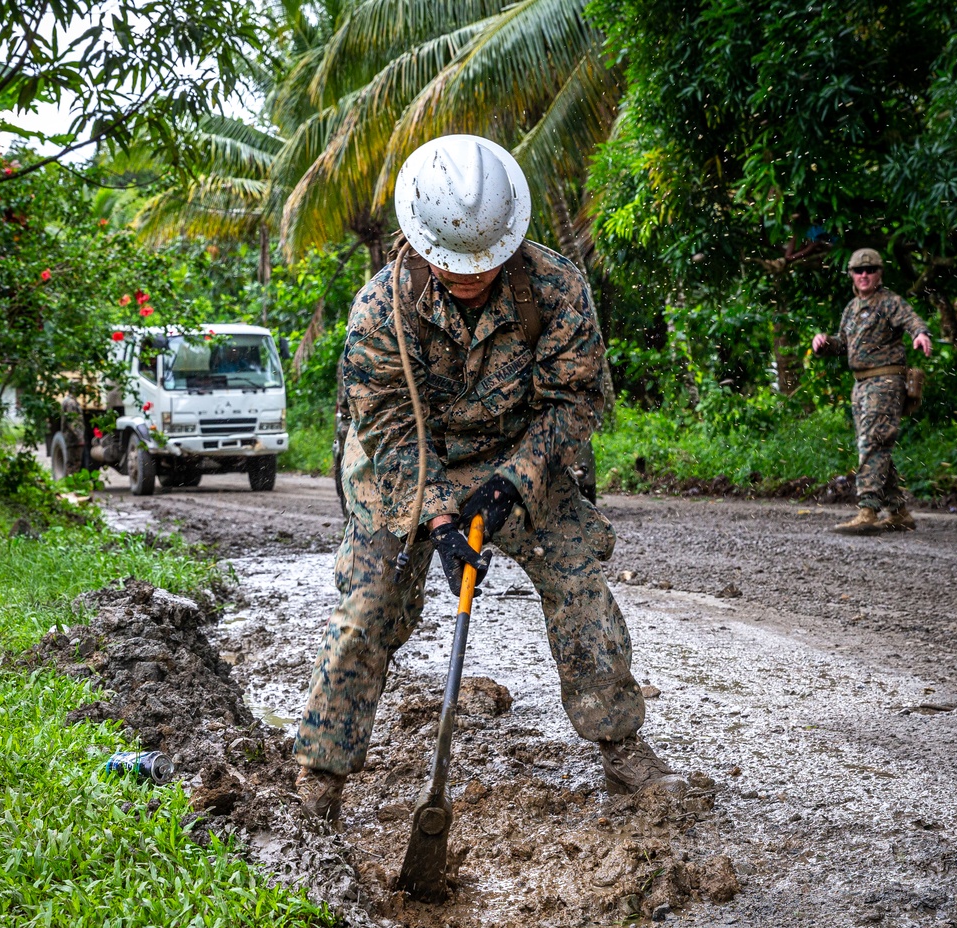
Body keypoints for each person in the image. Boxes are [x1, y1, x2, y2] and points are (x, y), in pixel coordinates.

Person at [293, 134, 688, 820]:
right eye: (457, 263)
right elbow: (386, 428)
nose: (473, 273)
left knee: (580, 581)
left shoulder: (556, 286)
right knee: (371, 603)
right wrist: (443, 519)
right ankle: (319, 775)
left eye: (488, 259)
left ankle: (621, 746)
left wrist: (512, 484)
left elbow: (577, 402)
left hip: (521, 454)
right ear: (422, 240)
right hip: (409, 463)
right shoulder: (378, 310)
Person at [812, 248, 932, 535]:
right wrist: (825, 343)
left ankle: (867, 510)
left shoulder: (890, 302)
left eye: (870, 270)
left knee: (873, 442)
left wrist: (921, 334)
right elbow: (844, 343)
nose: (864, 275)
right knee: (875, 445)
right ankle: (898, 511)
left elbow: (912, 320)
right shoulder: (852, 309)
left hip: (886, 382)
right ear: (852, 275)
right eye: (858, 270)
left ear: (879, 273)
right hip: (861, 384)